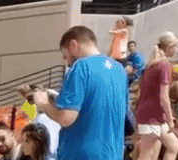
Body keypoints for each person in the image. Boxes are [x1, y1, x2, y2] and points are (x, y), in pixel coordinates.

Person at [29, 26, 128, 160]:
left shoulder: (80, 67)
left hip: (80, 154)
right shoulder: (119, 70)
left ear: (73, 45)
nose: (67, 63)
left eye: (65, 56)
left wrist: (44, 104)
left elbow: (66, 117)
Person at [134, 32, 178, 160]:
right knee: (147, 155)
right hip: (152, 116)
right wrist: (170, 119)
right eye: (175, 46)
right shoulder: (163, 65)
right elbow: (163, 96)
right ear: (170, 47)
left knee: (173, 145)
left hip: (152, 114)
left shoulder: (152, 65)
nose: (176, 49)